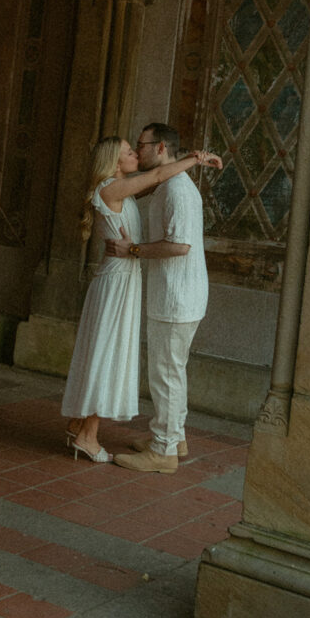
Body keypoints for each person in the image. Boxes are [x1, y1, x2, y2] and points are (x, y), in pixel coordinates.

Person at [61, 135, 212, 463]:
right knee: (107, 353)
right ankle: (87, 436)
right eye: (129, 152)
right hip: (117, 281)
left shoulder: (119, 186)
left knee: (106, 352)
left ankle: (80, 424)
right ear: (115, 160)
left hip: (123, 278)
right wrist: (195, 158)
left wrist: (179, 165)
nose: (135, 155)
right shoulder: (110, 189)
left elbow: (156, 180)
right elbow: (157, 176)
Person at [105, 123, 222, 474]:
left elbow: (179, 246)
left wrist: (132, 249)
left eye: (142, 145)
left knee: (166, 374)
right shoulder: (168, 183)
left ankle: (163, 452)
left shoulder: (177, 191)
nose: (137, 151)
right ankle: (174, 437)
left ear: (160, 149)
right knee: (171, 371)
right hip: (175, 294)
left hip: (177, 297)